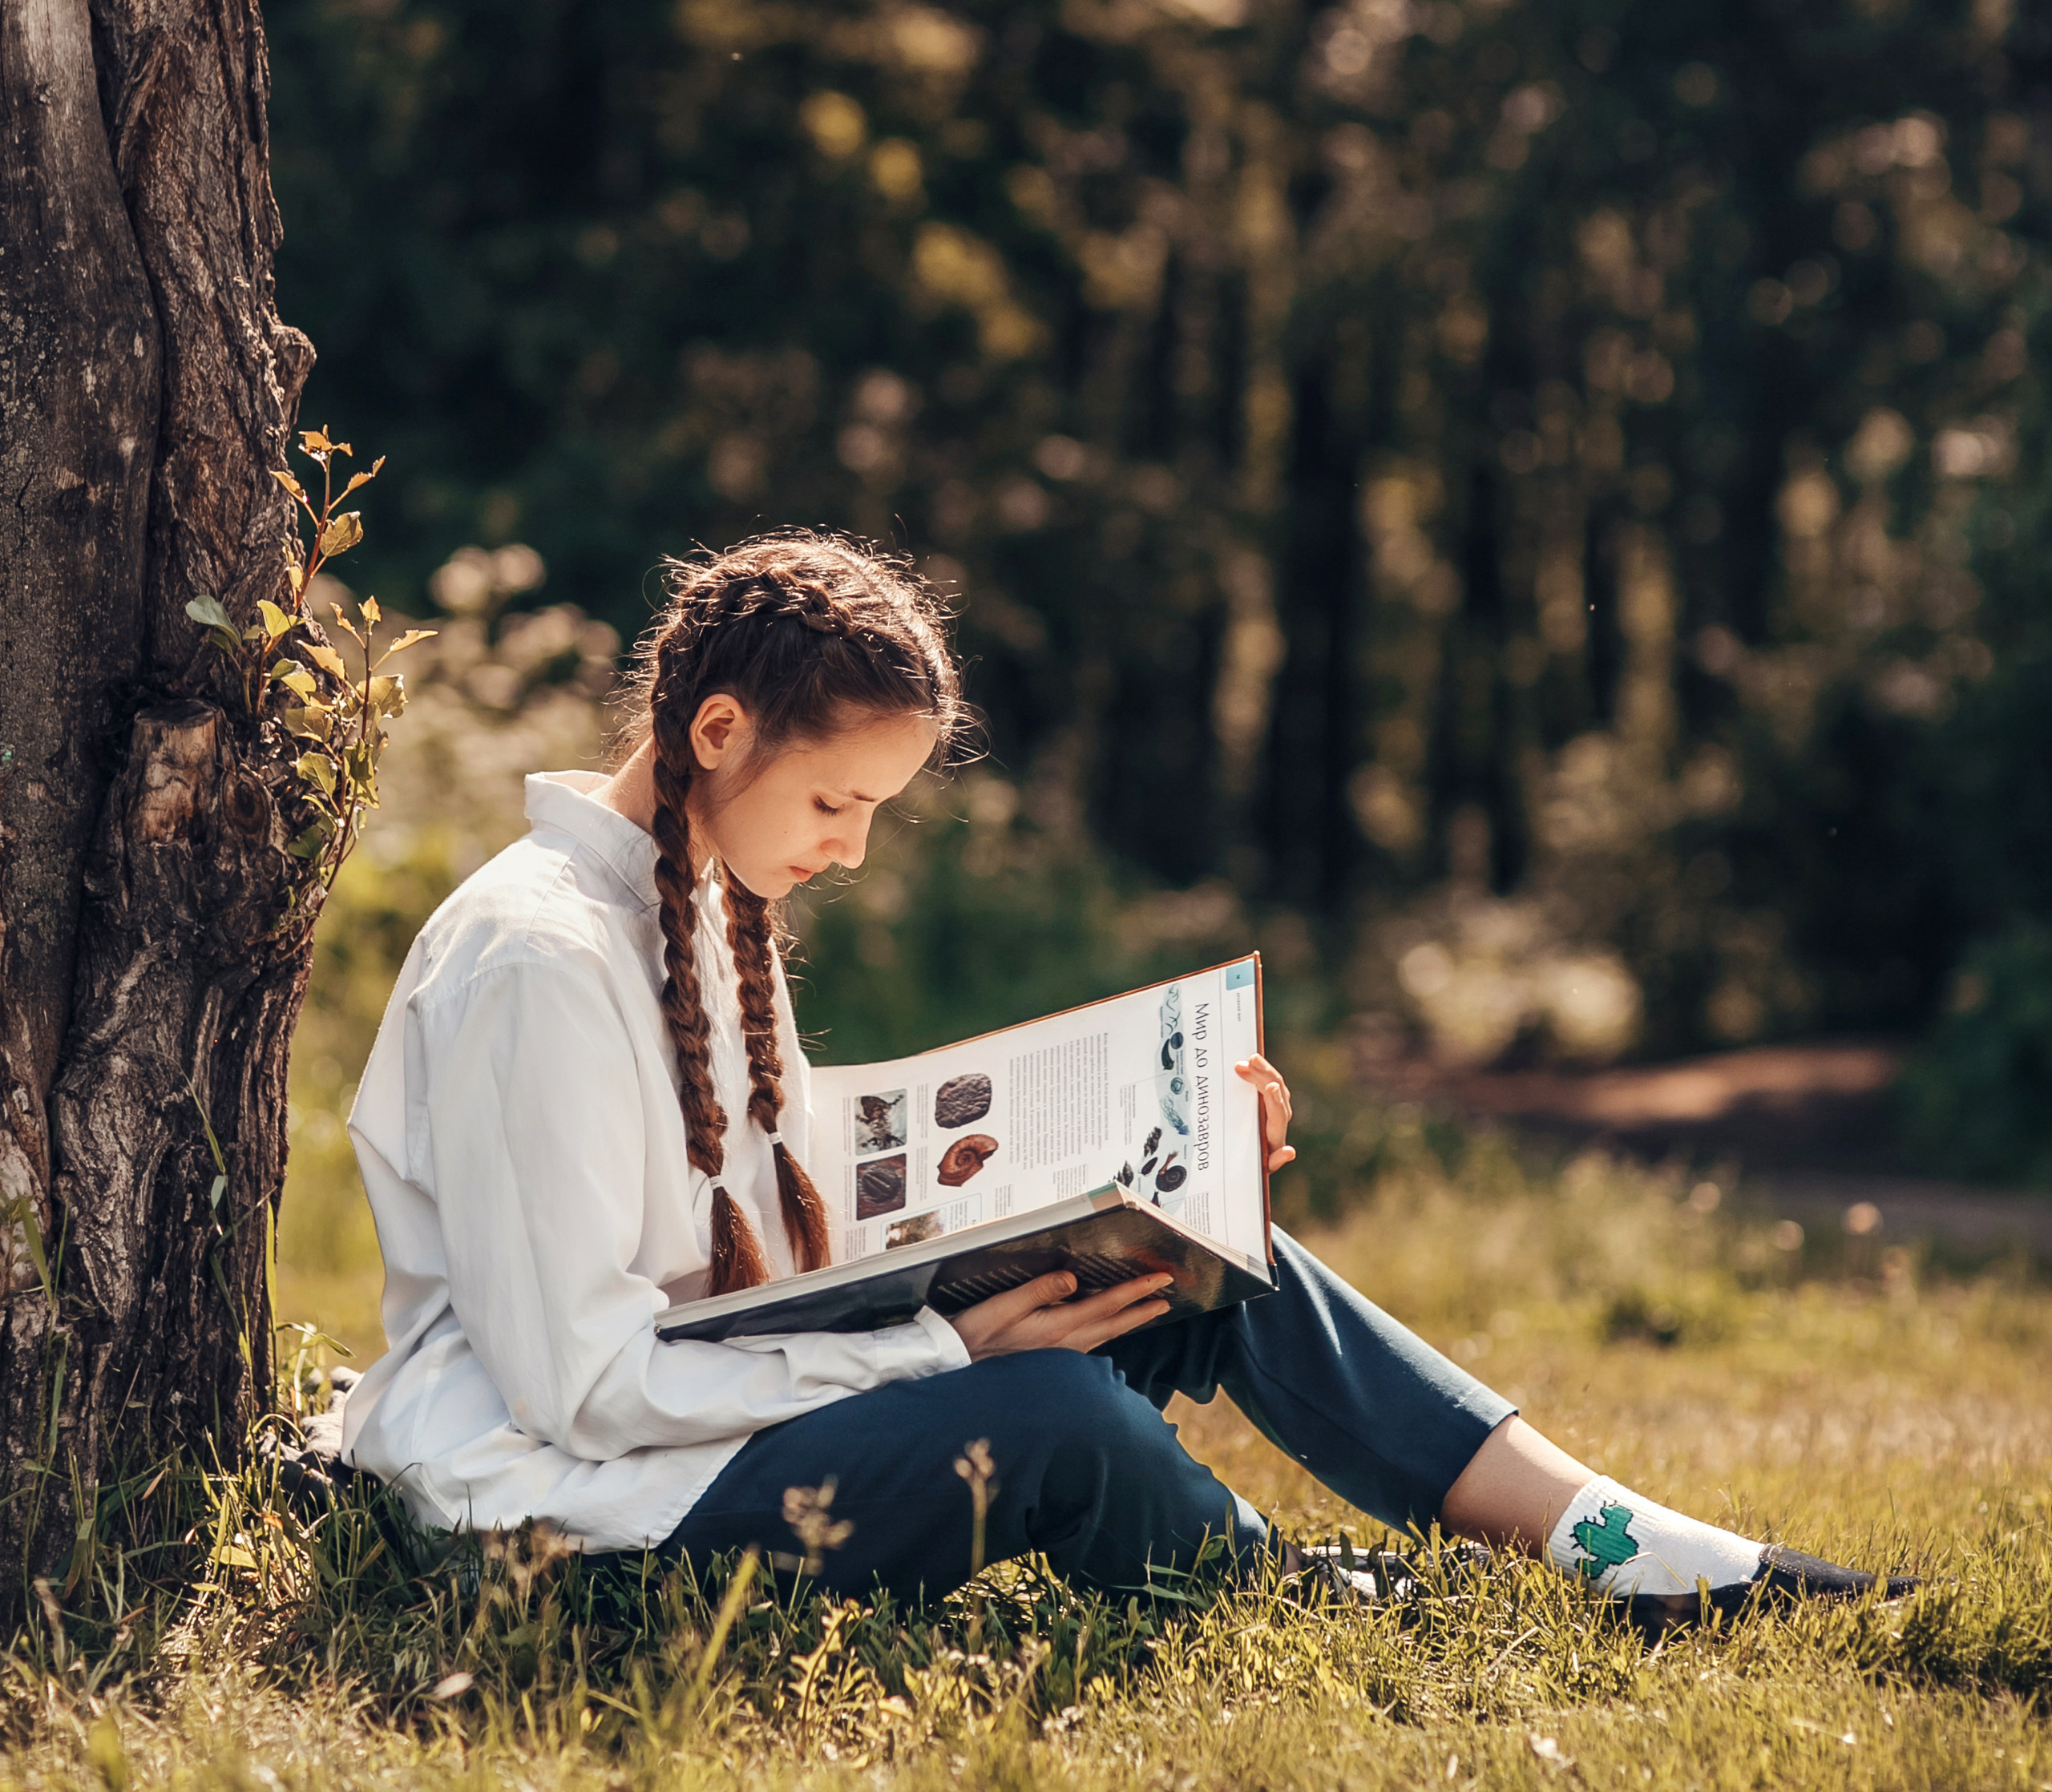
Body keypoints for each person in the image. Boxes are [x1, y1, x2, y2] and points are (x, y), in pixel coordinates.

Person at [341, 530, 1909, 1624]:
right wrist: (938, 1355)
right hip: (579, 1504)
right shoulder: (536, 965)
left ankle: (1617, 1546)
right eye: (833, 797)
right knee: (1046, 1416)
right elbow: (583, 1386)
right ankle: (1294, 1597)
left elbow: (777, 1197)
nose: (850, 845)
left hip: (712, 1415)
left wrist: (1145, 1178)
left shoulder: (699, 914)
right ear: (718, 729)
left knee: (1213, 1268)